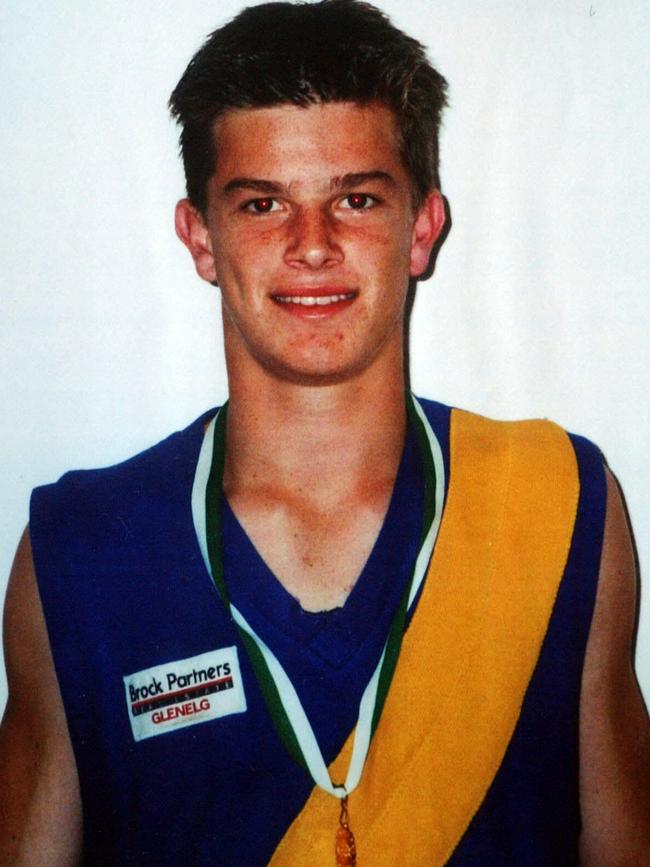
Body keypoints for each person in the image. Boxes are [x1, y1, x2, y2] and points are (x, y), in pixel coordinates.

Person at [1, 0, 649, 864]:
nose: (312, 244)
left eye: (357, 198)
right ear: (200, 237)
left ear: (421, 227)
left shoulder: (558, 504)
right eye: (264, 202)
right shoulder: (80, 552)